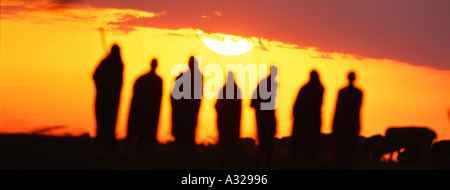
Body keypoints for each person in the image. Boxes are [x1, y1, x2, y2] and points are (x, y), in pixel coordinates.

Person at [126, 59, 163, 158]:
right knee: (144, 139)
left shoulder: (144, 79)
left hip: (149, 114)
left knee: (145, 140)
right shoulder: (155, 80)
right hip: (145, 114)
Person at [93, 44, 123, 151]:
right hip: (105, 100)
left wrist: (106, 60)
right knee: (102, 124)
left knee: (108, 124)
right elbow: (95, 75)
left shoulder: (117, 64)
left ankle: (106, 146)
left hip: (111, 101)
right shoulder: (113, 63)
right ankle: (102, 146)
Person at [291, 70, 324, 164]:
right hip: (308, 121)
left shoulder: (308, 88)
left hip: (308, 121)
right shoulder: (318, 88)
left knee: (306, 144)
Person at [171, 56, 203, 148]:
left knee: (187, 136)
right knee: (184, 136)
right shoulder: (194, 76)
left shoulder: (195, 76)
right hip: (184, 112)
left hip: (190, 112)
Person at [331, 71, 363, 164]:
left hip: (344, 123)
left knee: (344, 147)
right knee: (348, 147)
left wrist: (334, 123)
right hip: (351, 123)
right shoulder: (358, 92)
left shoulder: (342, 92)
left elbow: (337, 108)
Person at [251, 65, 278, 168]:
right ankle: (262, 162)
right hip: (264, 116)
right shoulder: (268, 83)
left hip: (265, 115)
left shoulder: (268, 82)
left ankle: (262, 162)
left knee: (265, 139)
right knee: (264, 140)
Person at [215, 71, 242, 154]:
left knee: (226, 143)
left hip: (228, 122)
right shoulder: (236, 90)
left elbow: (216, 106)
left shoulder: (224, 90)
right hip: (230, 122)